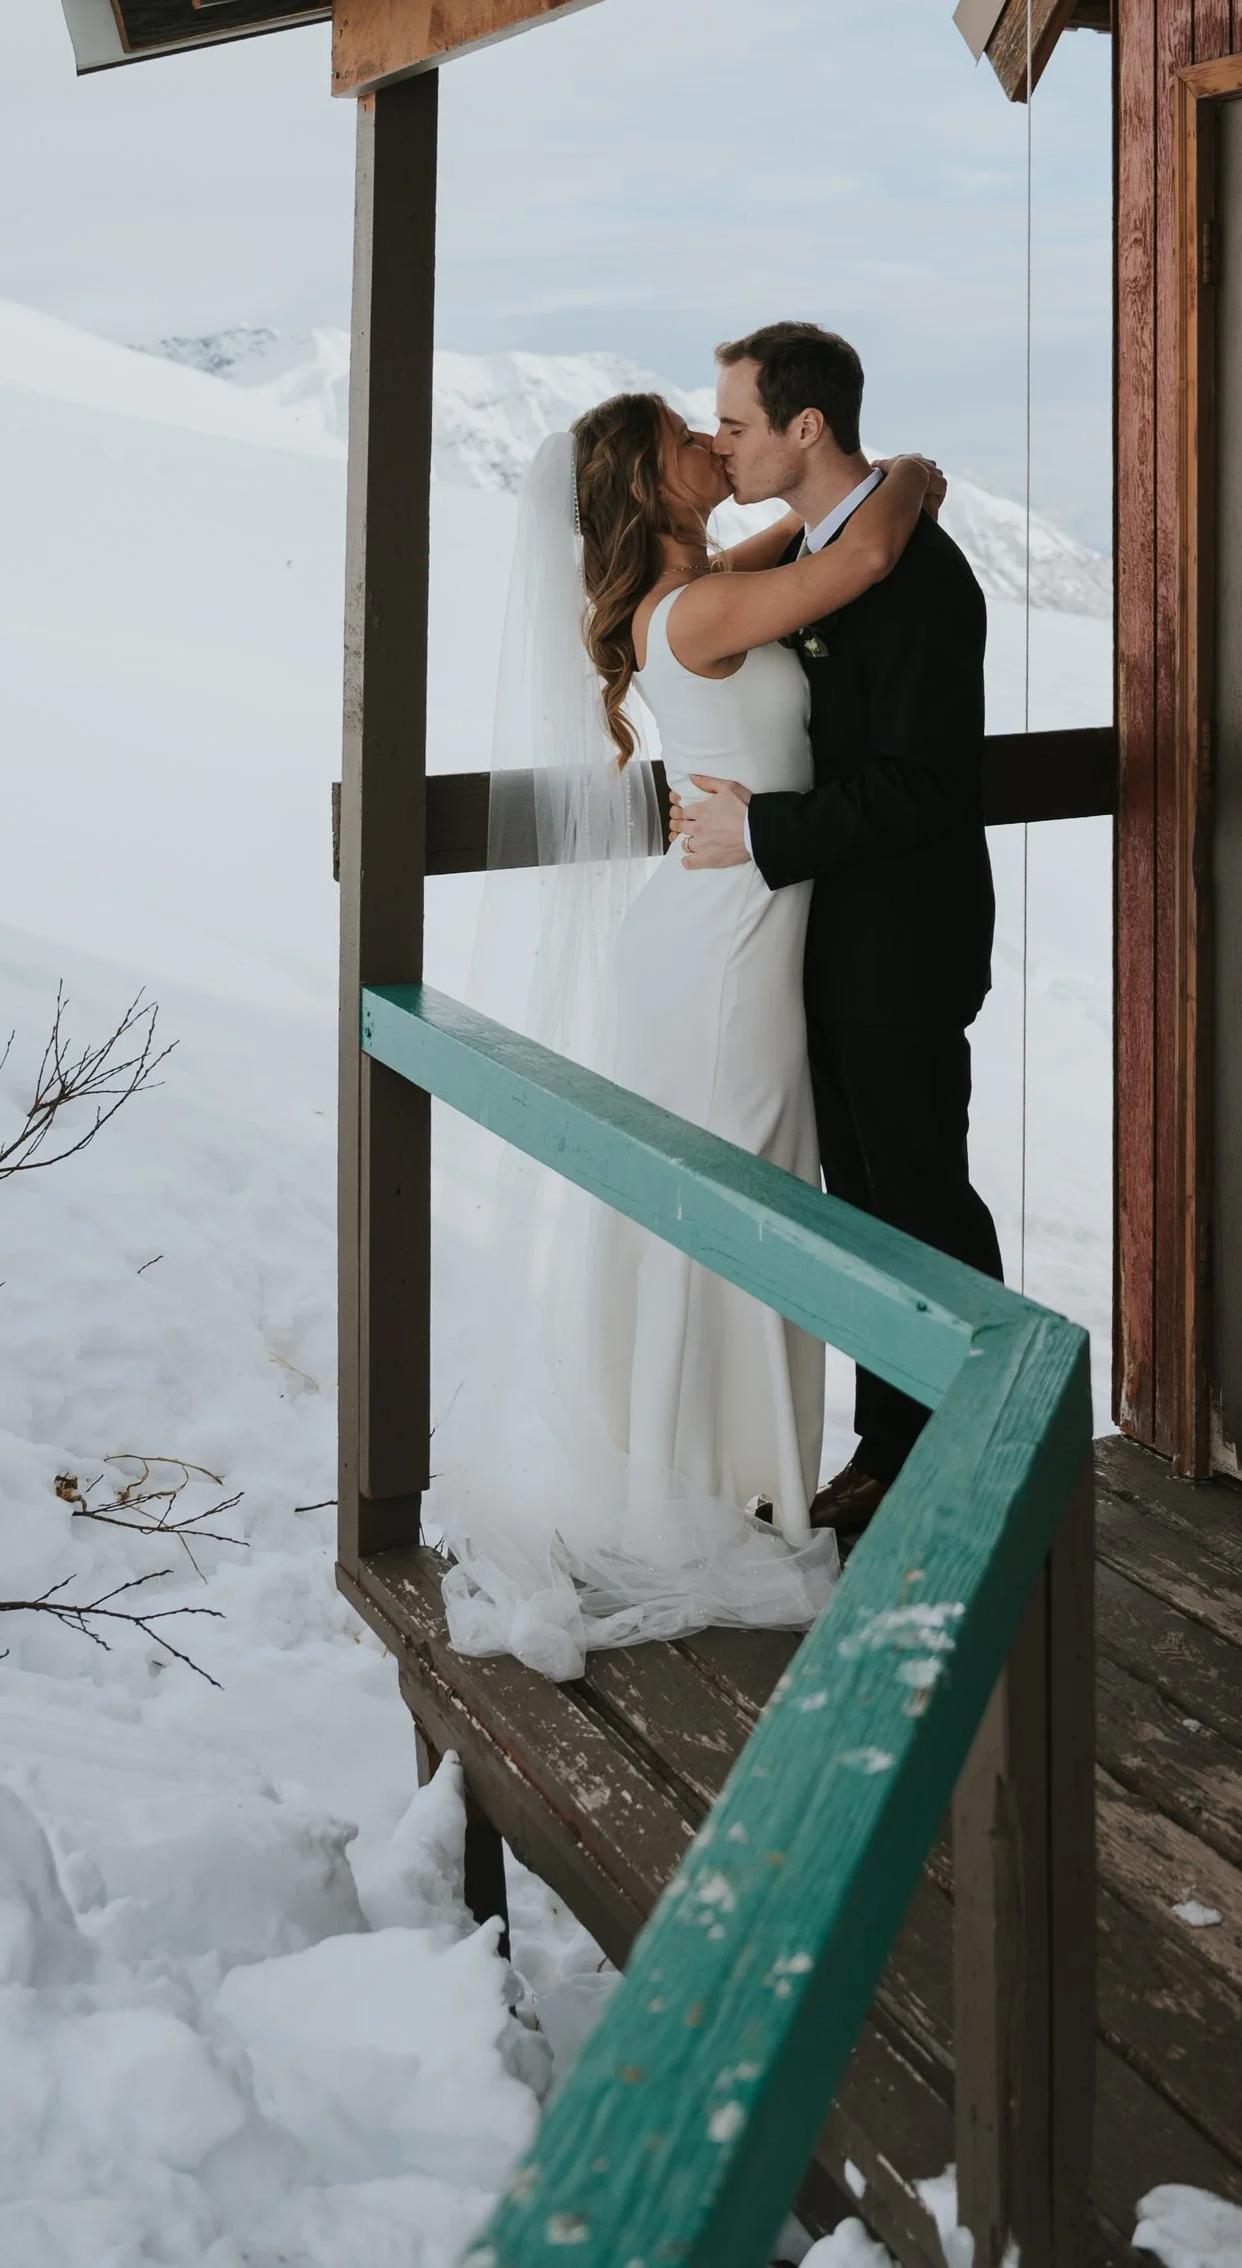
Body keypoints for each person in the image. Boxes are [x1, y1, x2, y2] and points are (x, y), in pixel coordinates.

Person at [431, 384, 942, 1676]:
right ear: (647, 487)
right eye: (682, 435)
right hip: (724, 954)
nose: (712, 441)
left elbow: (784, 552)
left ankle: (724, 1481)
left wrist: (793, 522)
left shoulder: (697, 590)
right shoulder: (701, 611)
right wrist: (915, 476)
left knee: (737, 1196)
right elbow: (867, 553)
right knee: (752, 1196)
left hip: (724, 925)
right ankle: (734, 1502)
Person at [671, 322, 1000, 1551]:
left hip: (900, 946)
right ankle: (892, 1451)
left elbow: (923, 786)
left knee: (921, 1199)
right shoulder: (835, 549)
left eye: (739, 424)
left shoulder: (918, 574)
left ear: (807, 428)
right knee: (864, 1204)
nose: (724, 441)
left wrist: (765, 830)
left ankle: (969, 1447)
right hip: (824, 942)